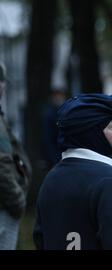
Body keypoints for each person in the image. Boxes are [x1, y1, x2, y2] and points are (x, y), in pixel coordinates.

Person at [33, 94, 112, 250]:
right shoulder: (107, 180)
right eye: (110, 126)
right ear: (93, 132)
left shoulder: (51, 179)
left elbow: (40, 238)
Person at [0, 64, 32, 249]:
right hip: (4, 208)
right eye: (3, 83)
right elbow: (2, 165)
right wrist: (18, 202)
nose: (4, 88)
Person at [41, 88, 66, 169]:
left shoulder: (64, 111)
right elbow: (47, 139)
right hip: (55, 156)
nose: (58, 98)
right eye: (56, 96)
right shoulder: (49, 114)